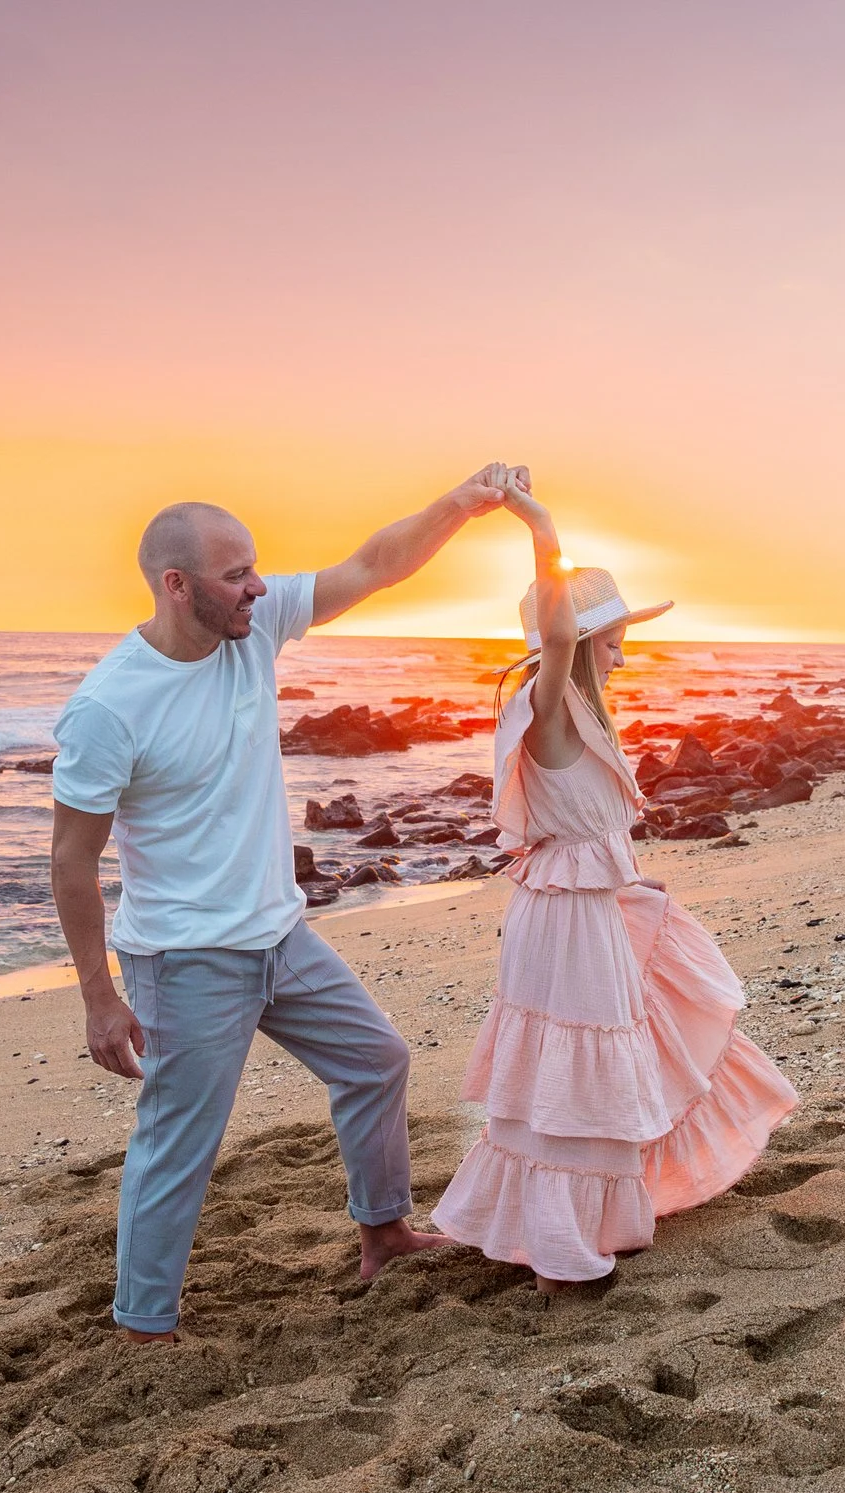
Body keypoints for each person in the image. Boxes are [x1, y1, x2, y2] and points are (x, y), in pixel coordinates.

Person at [48, 465, 522, 1341]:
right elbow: (73, 860)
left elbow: (375, 563)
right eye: (236, 574)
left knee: (376, 1060)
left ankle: (383, 1235)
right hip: (186, 959)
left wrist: (461, 501)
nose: (258, 586)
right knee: (180, 1141)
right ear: (175, 584)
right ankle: (144, 1326)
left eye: (256, 568)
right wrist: (98, 995)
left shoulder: (253, 630)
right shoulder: (109, 707)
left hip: (281, 934)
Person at [432, 479, 797, 1289]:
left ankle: (579, 1221)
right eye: (614, 636)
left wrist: (631, 887)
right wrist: (539, 524)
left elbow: (591, 832)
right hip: (562, 919)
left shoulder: (586, 716)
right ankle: (560, 1246)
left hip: (582, 907)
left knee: (599, 1051)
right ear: (579, 637)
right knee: (575, 1055)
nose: (624, 650)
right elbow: (558, 636)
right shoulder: (548, 702)